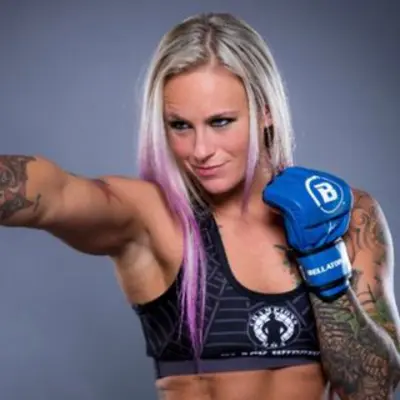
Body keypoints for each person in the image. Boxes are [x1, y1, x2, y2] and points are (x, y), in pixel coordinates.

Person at [1, 12, 399, 400]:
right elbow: (52, 194)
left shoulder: (347, 214)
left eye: (220, 121)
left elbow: (374, 390)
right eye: (180, 126)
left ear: (264, 111)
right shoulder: (153, 217)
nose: (200, 150)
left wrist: (323, 265)